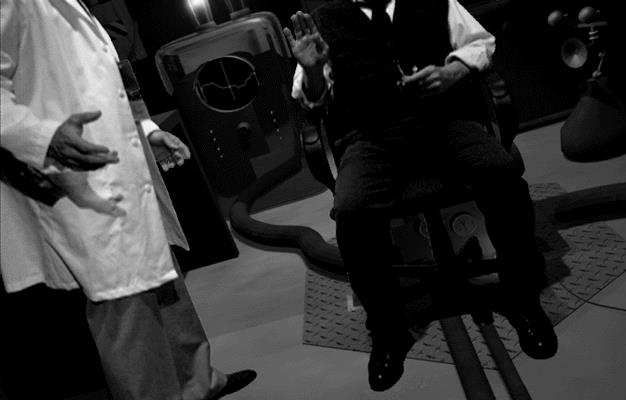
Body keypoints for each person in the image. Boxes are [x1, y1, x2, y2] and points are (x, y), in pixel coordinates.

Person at [284, 0, 558, 392]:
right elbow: (313, 98)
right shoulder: (324, 21)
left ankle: (522, 297)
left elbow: (480, 42)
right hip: (372, 137)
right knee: (352, 210)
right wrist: (312, 69)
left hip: (443, 121)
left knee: (502, 173)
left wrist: (451, 72)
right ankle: (387, 330)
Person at [0, 1, 256, 399]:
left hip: (117, 163)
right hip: (76, 177)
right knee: (123, 304)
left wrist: (148, 129)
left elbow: (111, 71)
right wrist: (43, 138)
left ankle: (198, 382)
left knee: (163, 278)